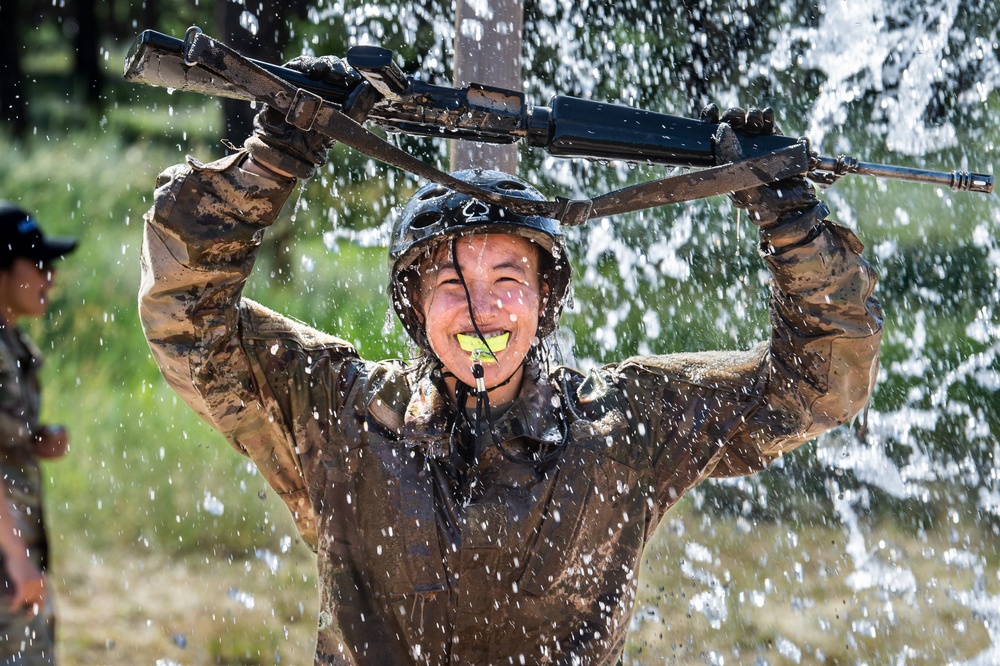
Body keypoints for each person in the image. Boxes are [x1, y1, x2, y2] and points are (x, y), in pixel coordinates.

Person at [139, 57, 882, 665]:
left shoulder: (624, 425)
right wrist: (275, 156)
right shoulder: (338, 415)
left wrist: (791, 225)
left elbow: (821, 384)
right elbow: (186, 316)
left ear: (543, 304)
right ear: (413, 307)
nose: (483, 311)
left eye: (508, 283)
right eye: (451, 284)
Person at [0, 202, 76, 665]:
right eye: (39, 265)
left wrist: (32, 440)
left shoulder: (10, 343)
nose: (50, 279)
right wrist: (16, 555)